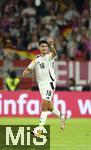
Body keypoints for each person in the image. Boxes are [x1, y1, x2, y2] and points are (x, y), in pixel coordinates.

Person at [23, 38, 66, 137]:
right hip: (41, 85)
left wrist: (52, 45)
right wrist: (26, 71)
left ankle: (40, 130)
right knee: (50, 107)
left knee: (44, 105)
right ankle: (62, 116)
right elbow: (30, 67)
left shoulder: (50, 56)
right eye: (42, 46)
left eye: (46, 46)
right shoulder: (36, 58)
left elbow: (54, 53)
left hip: (50, 83)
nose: (44, 48)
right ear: (39, 47)